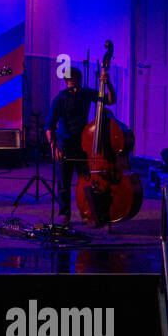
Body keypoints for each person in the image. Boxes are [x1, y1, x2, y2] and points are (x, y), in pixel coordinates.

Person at [45, 66, 115, 225]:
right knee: (64, 183)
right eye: (72, 86)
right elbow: (48, 126)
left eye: (77, 84)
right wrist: (53, 146)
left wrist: (107, 82)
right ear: (66, 83)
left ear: (80, 81)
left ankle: (90, 213)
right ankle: (64, 215)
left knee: (87, 182)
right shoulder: (59, 99)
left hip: (83, 145)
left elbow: (111, 100)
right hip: (64, 145)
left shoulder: (86, 93)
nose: (75, 89)